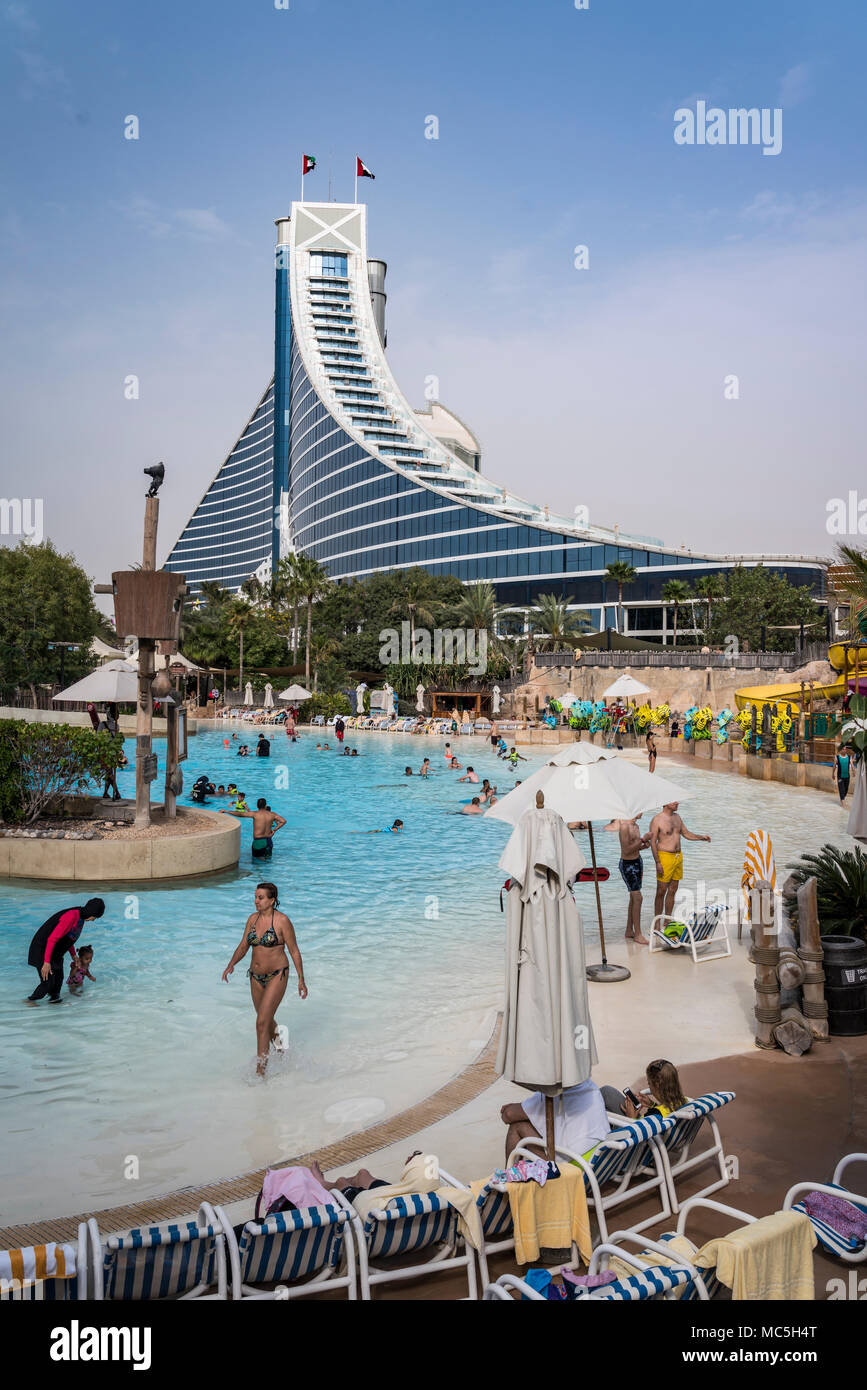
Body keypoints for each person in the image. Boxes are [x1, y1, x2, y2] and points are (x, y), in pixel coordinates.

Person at [222, 882, 307, 1076]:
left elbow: (294, 951)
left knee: (261, 1022)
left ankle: (260, 1073)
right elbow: (244, 945)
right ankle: (281, 1049)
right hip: (255, 977)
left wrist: (301, 980)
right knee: (266, 1021)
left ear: (272, 900)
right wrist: (231, 964)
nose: (256, 901)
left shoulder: (282, 921)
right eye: (255, 897)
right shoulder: (252, 919)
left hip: (277, 974)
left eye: (260, 898)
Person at [500, 1080, 610, 1165]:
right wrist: (525, 1109)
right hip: (599, 1158)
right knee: (530, 1118)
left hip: (576, 1165)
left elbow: (508, 1115)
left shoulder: (554, 1094)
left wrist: (520, 1109)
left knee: (518, 1126)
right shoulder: (589, 1086)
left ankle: (508, 1184)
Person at [26, 898, 105, 1005]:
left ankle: (54, 1002)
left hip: (56, 951)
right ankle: (30, 1001)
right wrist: (46, 962)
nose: (93, 920)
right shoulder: (72, 916)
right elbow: (52, 938)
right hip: (43, 949)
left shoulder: (81, 918)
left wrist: (74, 956)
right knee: (48, 982)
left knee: (59, 979)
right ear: (91, 912)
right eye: (95, 917)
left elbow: (68, 938)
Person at [649, 802, 711, 931]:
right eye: (674, 801)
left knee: (673, 889)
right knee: (661, 891)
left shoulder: (677, 817)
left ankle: (667, 921)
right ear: (665, 803)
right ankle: (656, 923)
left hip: (678, 857)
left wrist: (701, 838)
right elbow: (653, 842)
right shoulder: (657, 819)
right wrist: (657, 862)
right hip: (664, 857)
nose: (677, 803)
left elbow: (686, 833)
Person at [604, 816, 651, 945]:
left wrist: (643, 846)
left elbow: (634, 847)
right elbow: (626, 849)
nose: (642, 812)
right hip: (627, 864)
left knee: (633, 897)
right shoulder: (624, 827)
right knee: (638, 897)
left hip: (637, 862)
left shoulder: (636, 826)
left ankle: (629, 930)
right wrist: (643, 839)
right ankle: (638, 934)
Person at [601, 1059, 689, 1120]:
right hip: (657, 1135)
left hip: (634, 1137)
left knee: (605, 1096)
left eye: (649, 1083)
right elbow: (664, 1112)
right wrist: (652, 1105)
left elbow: (638, 1137)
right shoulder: (684, 1102)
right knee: (607, 1094)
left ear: (657, 1086)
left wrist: (631, 1117)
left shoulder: (654, 1115)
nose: (649, 1087)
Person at [220, 796, 286, 858]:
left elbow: (240, 814)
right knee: (268, 861)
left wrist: (226, 811)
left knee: (257, 862)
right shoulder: (272, 814)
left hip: (258, 842)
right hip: (269, 841)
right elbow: (283, 821)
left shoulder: (255, 814)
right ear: (265, 806)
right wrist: (274, 830)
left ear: (257, 806)